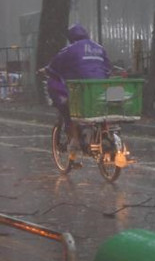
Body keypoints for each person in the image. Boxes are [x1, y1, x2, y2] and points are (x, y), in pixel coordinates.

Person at [45, 23, 111, 160]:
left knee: (71, 110)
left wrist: (47, 70)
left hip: (83, 90)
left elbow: (54, 66)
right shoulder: (99, 48)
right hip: (100, 89)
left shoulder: (69, 50)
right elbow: (108, 68)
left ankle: (74, 140)